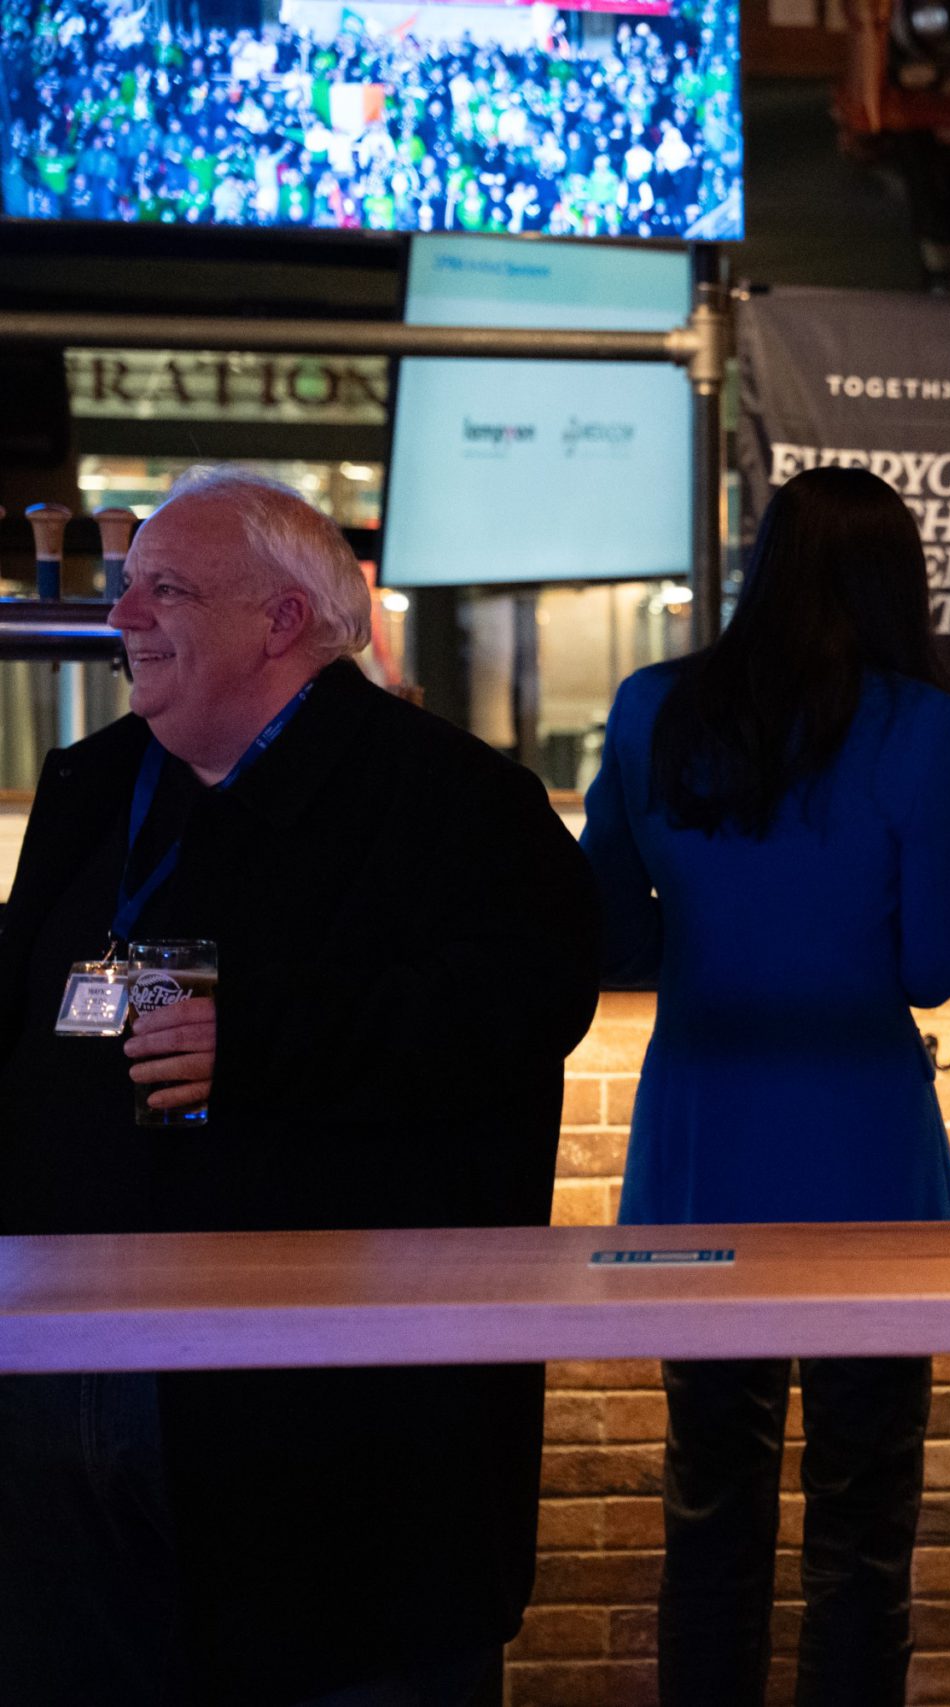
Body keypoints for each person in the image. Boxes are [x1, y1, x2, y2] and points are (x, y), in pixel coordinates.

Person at [0, 464, 600, 1705]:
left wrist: (268, 1041)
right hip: (68, 1409)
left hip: (335, 1444)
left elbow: (519, 1015)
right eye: (126, 586)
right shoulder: (95, 786)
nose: (121, 617)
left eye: (166, 590)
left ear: (281, 620)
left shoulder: (459, 801)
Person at [580, 465, 950, 1707]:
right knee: (865, 1520)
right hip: (868, 1154)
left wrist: (708, 930)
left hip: (703, 1141)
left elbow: (610, 936)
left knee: (710, 1499)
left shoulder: (651, 706)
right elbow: (934, 967)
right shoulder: (917, 723)